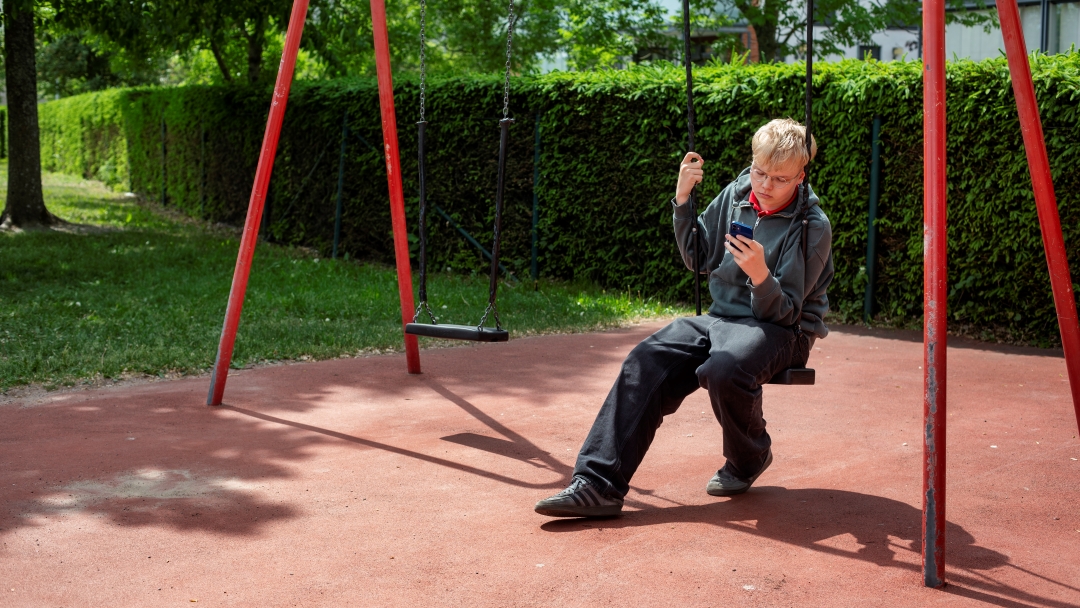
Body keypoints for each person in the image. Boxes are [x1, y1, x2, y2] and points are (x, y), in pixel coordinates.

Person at [535, 118, 834, 518]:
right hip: (721, 319)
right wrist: (682, 199)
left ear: (800, 177)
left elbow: (786, 311)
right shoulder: (736, 194)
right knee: (646, 358)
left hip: (782, 329)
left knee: (724, 368)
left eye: (779, 179)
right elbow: (699, 257)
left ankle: (749, 458)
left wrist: (761, 277)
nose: (764, 185)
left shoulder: (812, 227)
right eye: (759, 171)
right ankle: (597, 484)